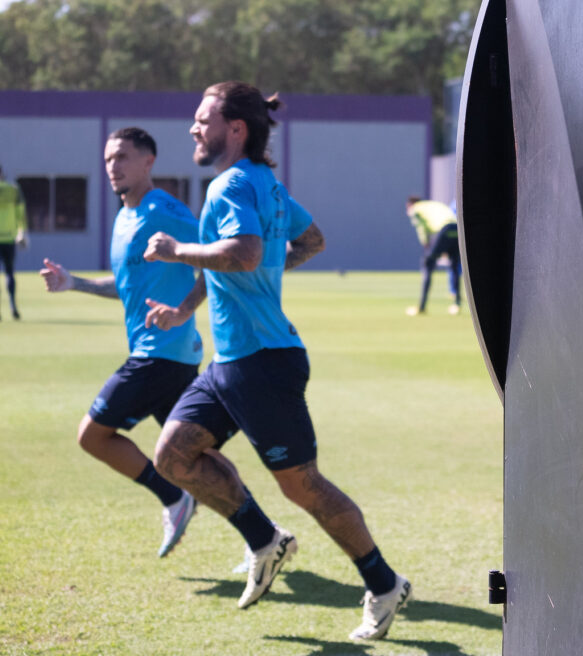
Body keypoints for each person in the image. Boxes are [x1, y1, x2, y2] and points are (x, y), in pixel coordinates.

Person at [142, 81, 412, 640]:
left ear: (234, 129)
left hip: (261, 364)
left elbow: (242, 253)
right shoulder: (268, 184)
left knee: (303, 485)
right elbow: (311, 241)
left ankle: (384, 584)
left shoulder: (230, 184)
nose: (194, 128)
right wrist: (185, 308)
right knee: (172, 456)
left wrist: (177, 250)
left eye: (203, 119)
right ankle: (266, 540)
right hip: (230, 364)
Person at [39, 127, 201, 558]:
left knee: (92, 435)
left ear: (149, 162)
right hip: (164, 354)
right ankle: (262, 533)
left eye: (123, 157)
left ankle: (173, 497)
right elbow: (128, 287)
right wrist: (73, 283)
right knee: (195, 460)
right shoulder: (123, 218)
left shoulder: (165, 209)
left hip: (162, 352)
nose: (113, 166)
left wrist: (183, 310)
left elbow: (218, 256)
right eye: (109, 158)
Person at [405, 196, 462, 316]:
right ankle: (456, 304)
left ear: (410, 205)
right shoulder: (431, 204)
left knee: (427, 264)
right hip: (456, 229)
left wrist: (425, 243)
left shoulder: (415, 209)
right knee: (454, 266)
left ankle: (421, 307)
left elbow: (421, 228)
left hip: (444, 229)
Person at [0, 165, 28, 320]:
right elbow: (21, 214)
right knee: (9, 273)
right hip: (9, 238)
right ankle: (13, 306)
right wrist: (22, 232)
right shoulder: (13, 190)